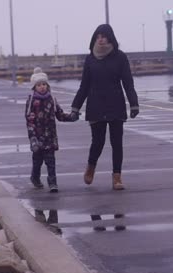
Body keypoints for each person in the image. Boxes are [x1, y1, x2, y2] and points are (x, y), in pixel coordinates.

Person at [71, 24, 139, 191]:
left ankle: (117, 178)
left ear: (110, 38)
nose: (101, 39)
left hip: (116, 104)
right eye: (98, 36)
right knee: (98, 142)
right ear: (95, 38)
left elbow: (128, 83)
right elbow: (84, 86)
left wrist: (134, 104)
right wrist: (75, 108)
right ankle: (91, 167)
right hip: (95, 105)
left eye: (104, 36)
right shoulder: (90, 59)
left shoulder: (120, 57)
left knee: (117, 143)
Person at [25, 68, 79, 192]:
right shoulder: (32, 101)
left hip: (50, 137)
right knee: (37, 161)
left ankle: (52, 183)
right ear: (34, 87)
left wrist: (71, 117)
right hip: (37, 138)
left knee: (51, 161)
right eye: (39, 85)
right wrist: (32, 137)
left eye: (44, 84)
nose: (42, 87)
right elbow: (29, 120)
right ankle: (35, 178)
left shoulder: (52, 99)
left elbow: (59, 115)